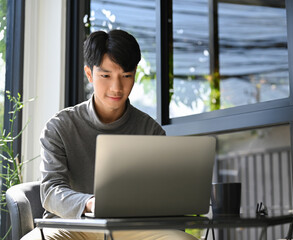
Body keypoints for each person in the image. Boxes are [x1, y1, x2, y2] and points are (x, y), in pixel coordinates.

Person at [22, 30, 198, 240]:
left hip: (131, 229)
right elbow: (51, 191)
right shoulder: (60, 127)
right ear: (89, 74)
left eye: (126, 76)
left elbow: (161, 195)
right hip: (73, 224)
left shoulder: (150, 131)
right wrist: (91, 203)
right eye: (106, 76)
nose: (117, 87)